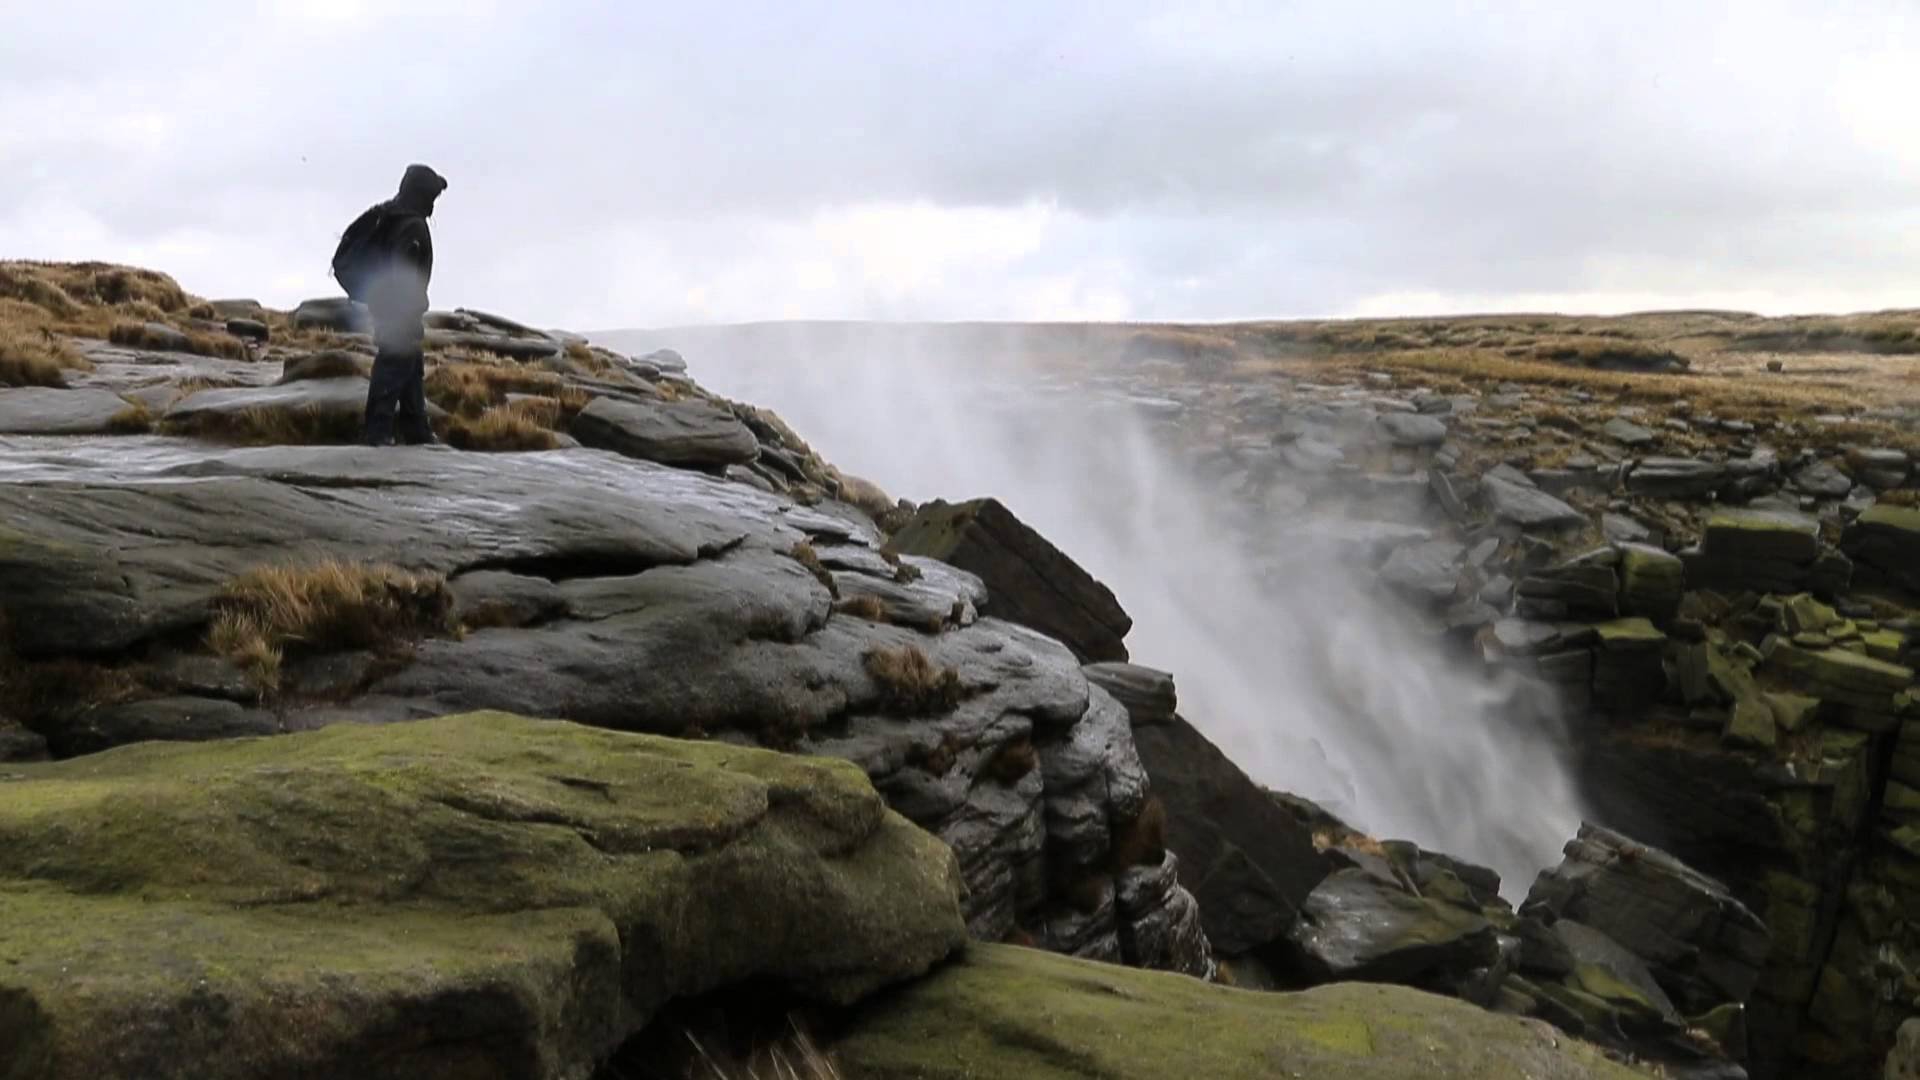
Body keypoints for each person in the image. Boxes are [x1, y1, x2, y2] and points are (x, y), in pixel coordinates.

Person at [334, 164, 448, 446]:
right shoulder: (411, 225)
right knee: (393, 366)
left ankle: (416, 428)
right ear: (423, 195)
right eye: (432, 196)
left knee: (410, 368)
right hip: (399, 312)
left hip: (389, 307)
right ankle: (377, 432)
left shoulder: (393, 216)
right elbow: (403, 273)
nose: (434, 203)